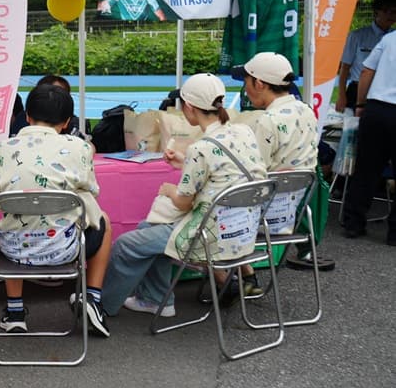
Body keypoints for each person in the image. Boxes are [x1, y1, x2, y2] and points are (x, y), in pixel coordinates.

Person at [101, 74, 267, 318]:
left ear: (188, 106)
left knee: (126, 244)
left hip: (206, 237)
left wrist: (169, 190)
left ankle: (99, 306)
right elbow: (223, 175)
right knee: (148, 228)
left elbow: (182, 202)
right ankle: (155, 299)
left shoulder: (200, 148)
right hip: (243, 232)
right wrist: (184, 162)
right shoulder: (243, 132)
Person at [0, 84, 113, 337]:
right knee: (103, 220)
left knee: (11, 222)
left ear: (27, 116)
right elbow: (92, 189)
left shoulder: (2, 148)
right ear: (66, 122)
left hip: (13, 250)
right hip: (64, 249)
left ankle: (15, 312)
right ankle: (92, 298)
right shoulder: (79, 147)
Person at [234, 51, 334, 272]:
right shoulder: (306, 111)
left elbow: (254, 171)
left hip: (262, 214)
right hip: (294, 209)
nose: (245, 88)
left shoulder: (267, 121)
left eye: (246, 81)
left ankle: (241, 276)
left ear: (259, 83)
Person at [342, 17, 396, 246]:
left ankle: (353, 223)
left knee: (366, 168)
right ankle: (394, 234)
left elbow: (366, 71)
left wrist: (361, 103)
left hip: (377, 108)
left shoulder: (390, 39)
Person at [336, 0, 396, 113]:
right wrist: (341, 95)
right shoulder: (357, 36)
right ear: (376, 13)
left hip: (385, 92)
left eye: (394, 12)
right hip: (357, 89)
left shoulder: (393, 37)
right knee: (354, 123)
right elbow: (345, 68)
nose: (391, 15)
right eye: (386, 11)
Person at [10, 74, 90, 139]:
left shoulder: (74, 122)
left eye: (58, 94)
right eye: (45, 93)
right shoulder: (22, 117)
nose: (51, 98)